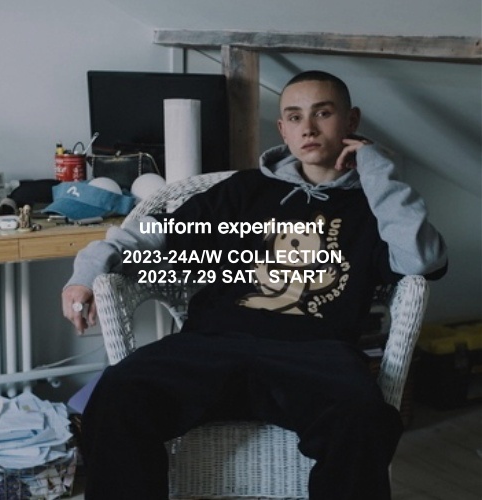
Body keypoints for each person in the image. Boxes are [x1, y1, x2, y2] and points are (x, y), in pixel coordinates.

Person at [62, 70, 447, 499]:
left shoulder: (375, 205)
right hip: (212, 344)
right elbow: (149, 233)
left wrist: (379, 170)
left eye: (323, 113)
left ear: (351, 121)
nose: (308, 128)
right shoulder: (243, 190)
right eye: (295, 117)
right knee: (117, 394)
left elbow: (422, 259)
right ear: (283, 129)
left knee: (364, 417)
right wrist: (87, 273)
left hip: (315, 354)